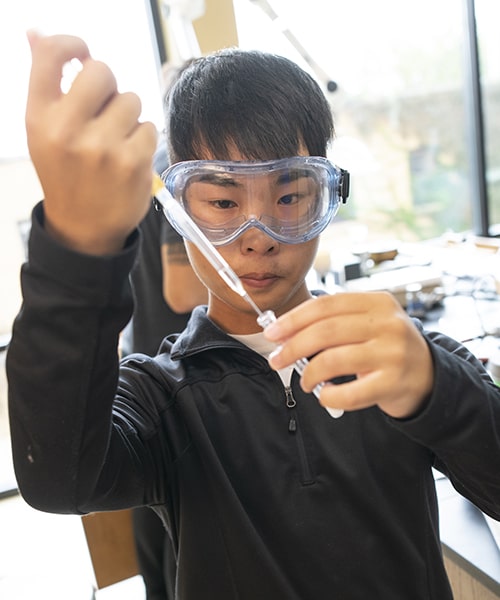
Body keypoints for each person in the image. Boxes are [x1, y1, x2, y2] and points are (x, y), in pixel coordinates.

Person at [7, 32, 500, 599]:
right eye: (222, 203)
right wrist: (75, 250)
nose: (259, 238)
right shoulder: (163, 398)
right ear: (178, 209)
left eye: (290, 198)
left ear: (327, 197)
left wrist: (438, 390)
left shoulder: (400, 363)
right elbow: (57, 480)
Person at [126, 139, 207, 600]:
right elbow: (180, 290)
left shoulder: (155, 165)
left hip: (150, 359)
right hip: (176, 369)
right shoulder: (182, 172)